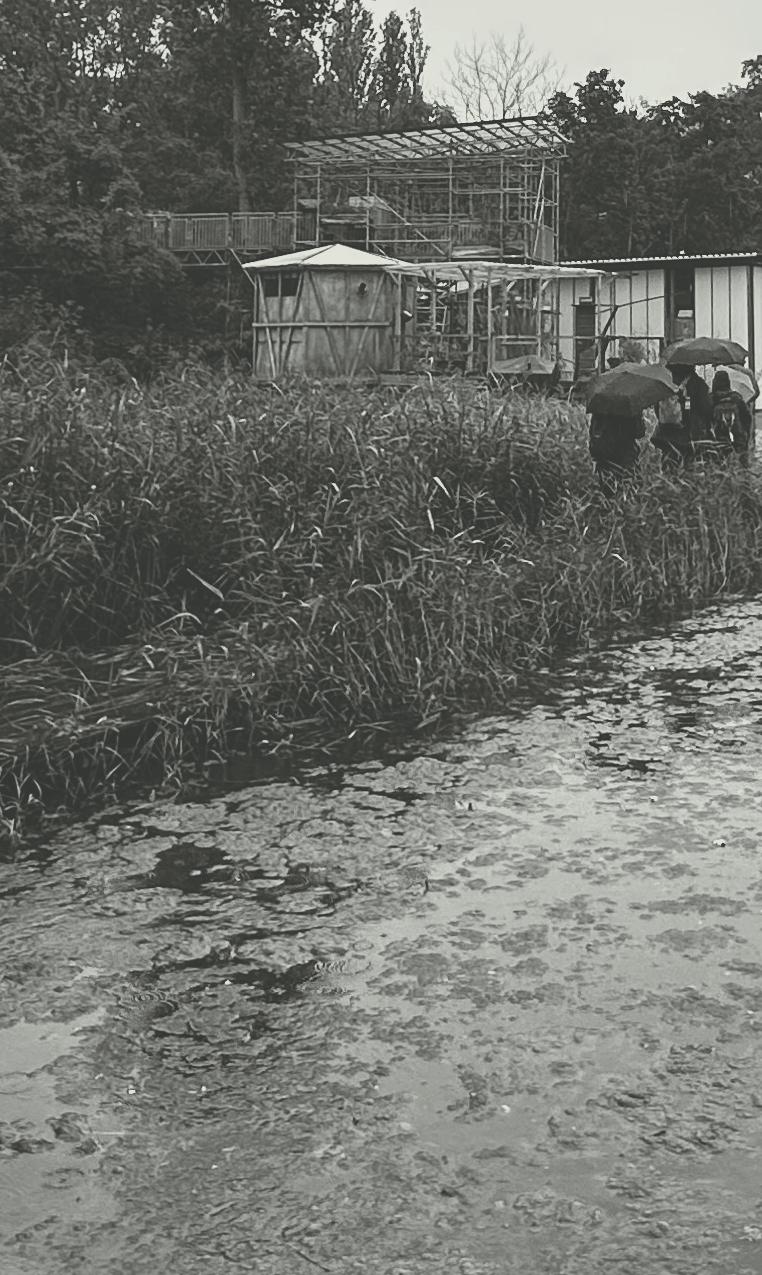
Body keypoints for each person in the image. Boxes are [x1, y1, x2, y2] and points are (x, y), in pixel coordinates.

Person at [588, 409, 646, 490]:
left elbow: (593, 433)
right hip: (626, 456)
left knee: (607, 489)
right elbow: (639, 432)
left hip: (605, 456)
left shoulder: (600, 407)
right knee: (631, 487)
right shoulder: (630, 407)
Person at [709, 369, 753, 463]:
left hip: (718, 442)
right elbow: (747, 418)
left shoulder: (711, 399)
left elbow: (706, 420)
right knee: (740, 465)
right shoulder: (737, 398)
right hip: (739, 439)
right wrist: (746, 436)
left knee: (720, 463)